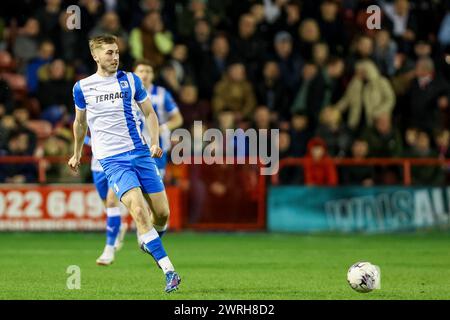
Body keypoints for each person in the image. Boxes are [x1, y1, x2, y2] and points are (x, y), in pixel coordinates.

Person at [68, 35, 181, 293]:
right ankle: (169, 271)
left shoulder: (131, 80)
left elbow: (149, 113)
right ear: (95, 56)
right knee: (139, 212)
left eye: (116, 52)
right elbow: (80, 123)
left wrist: (154, 141)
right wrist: (76, 153)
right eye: (108, 53)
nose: (114, 57)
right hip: (113, 161)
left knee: (162, 214)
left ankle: (149, 241)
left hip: (140, 153)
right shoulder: (82, 87)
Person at [133, 59, 183, 178]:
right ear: (134, 74)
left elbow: (178, 119)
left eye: (148, 71)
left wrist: (162, 128)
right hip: (134, 146)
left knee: (155, 187)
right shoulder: (128, 93)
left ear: (153, 75)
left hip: (157, 147)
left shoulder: (162, 93)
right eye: (141, 71)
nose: (145, 74)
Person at [83, 135, 128, 266]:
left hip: (117, 163)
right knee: (107, 206)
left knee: (111, 201)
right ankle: (118, 226)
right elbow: (79, 130)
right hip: (97, 166)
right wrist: (90, 142)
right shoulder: (88, 114)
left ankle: (109, 249)